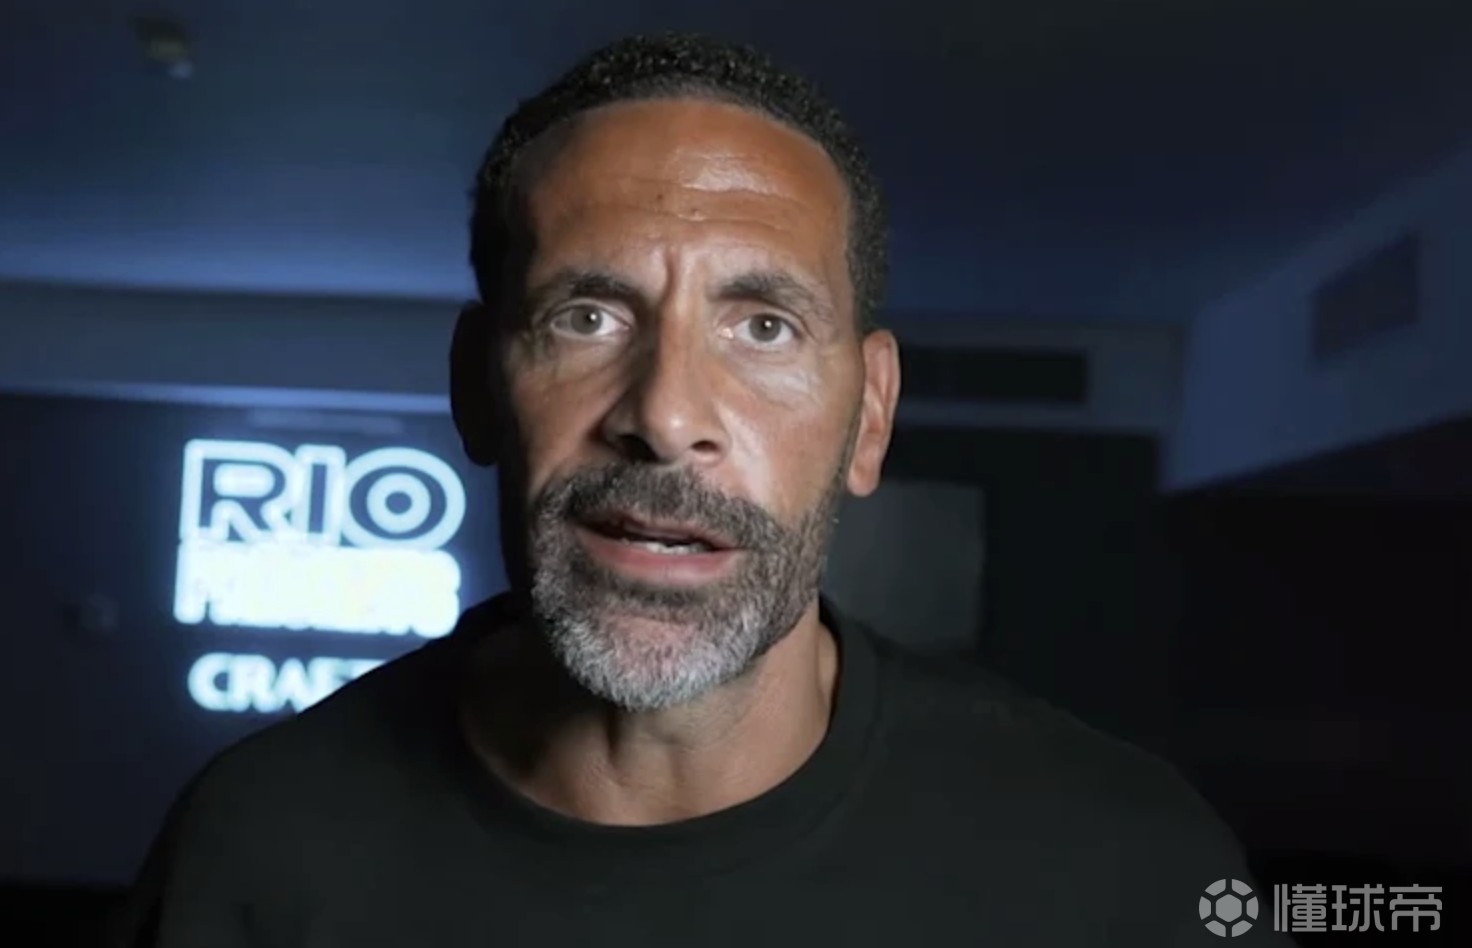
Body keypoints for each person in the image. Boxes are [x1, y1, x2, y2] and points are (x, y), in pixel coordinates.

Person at [119, 33, 1292, 948]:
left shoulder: (1126, 869)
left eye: (763, 326)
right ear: (477, 387)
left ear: (868, 416)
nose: (665, 412)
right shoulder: (257, 851)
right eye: (587, 316)